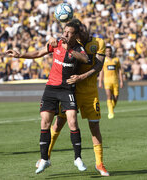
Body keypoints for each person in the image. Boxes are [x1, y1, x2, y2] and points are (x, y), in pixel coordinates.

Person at [5, 22, 89, 174]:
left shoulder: (78, 48)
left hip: (66, 89)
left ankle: (77, 158)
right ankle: (45, 159)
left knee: (72, 121)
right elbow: (38, 54)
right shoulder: (56, 43)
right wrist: (20, 55)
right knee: (45, 122)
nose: (66, 34)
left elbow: (85, 59)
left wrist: (69, 49)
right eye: (65, 31)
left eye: (70, 32)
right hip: (51, 88)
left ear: (75, 35)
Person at [46, 19, 110, 176]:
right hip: (71, 90)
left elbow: (98, 66)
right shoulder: (72, 44)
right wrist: (51, 39)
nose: (80, 35)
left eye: (82, 31)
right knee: (58, 123)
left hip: (90, 92)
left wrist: (81, 77)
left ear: (86, 30)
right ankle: (45, 157)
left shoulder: (98, 42)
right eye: (78, 33)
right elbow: (55, 45)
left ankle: (99, 163)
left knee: (94, 127)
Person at [99, 46, 123, 119]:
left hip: (115, 81)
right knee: (109, 96)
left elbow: (119, 71)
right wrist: (100, 81)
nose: (108, 52)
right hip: (107, 81)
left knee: (116, 97)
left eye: (109, 51)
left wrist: (121, 81)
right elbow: (101, 71)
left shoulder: (116, 60)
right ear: (105, 52)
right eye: (106, 51)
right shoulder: (104, 60)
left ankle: (111, 108)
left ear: (111, 51)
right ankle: (111, 112)